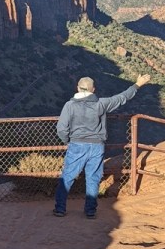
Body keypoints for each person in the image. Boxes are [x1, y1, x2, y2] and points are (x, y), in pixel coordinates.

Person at [54, 73, 151, 219]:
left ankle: (60, 209)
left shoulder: (70, 106)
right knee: (93, 178)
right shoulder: (101, 104)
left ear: (77, 88)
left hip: (77, 145)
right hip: (96, 146)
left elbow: (61, 128)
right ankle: (90, 211)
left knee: (67, 177)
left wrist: (68, 141)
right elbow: (122, 97)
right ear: (93, 90)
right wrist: (137, 84)